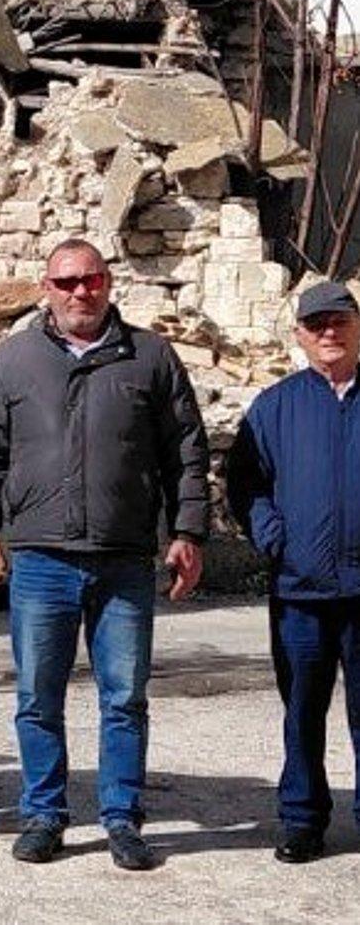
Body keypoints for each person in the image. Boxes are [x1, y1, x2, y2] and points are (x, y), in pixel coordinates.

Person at [0, 237, 209, 871]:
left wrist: (188, 532)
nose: (80, 292)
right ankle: (44, 813)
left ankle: (122, 817)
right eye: (67, 281)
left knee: (124, 697)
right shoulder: (13, 361)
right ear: (45, 288)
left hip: (124, 557)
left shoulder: (151, 357)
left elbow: (185, 451)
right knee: (38, 696)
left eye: (91, 280)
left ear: (108, 283)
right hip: (41, 557)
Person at [225, 279, 360, 864]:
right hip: (300, 592)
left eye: (340, 321)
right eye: (316, 324)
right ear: (300, 335)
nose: (329, 332)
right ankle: (302, 820)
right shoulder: (275, 406)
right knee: (302, 711)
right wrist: (273, 537)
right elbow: (246, 485)